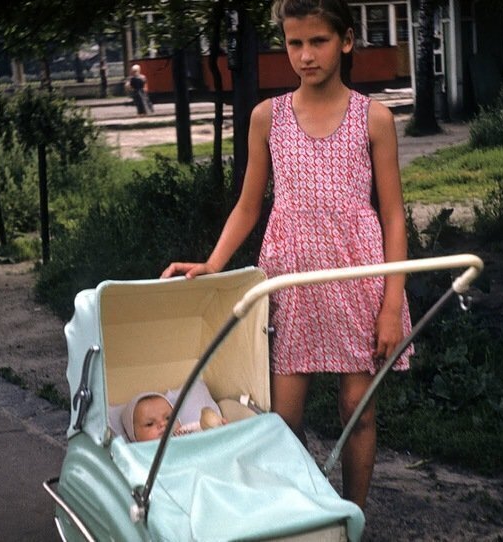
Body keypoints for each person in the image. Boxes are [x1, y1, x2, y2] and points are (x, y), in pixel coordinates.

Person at [160, 0, 413, 509]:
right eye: (295, 43)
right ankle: (303, 513)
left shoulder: (375, 118)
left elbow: (393, 217)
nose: (306, 55)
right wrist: (213, 264)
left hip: (358, 278)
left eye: (318, 41)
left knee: (357, 409)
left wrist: (391, 306)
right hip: (291, 281)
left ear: (344, 41)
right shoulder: (266, 117)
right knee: (282, 418)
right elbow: (248, 206)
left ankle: (352, 518)